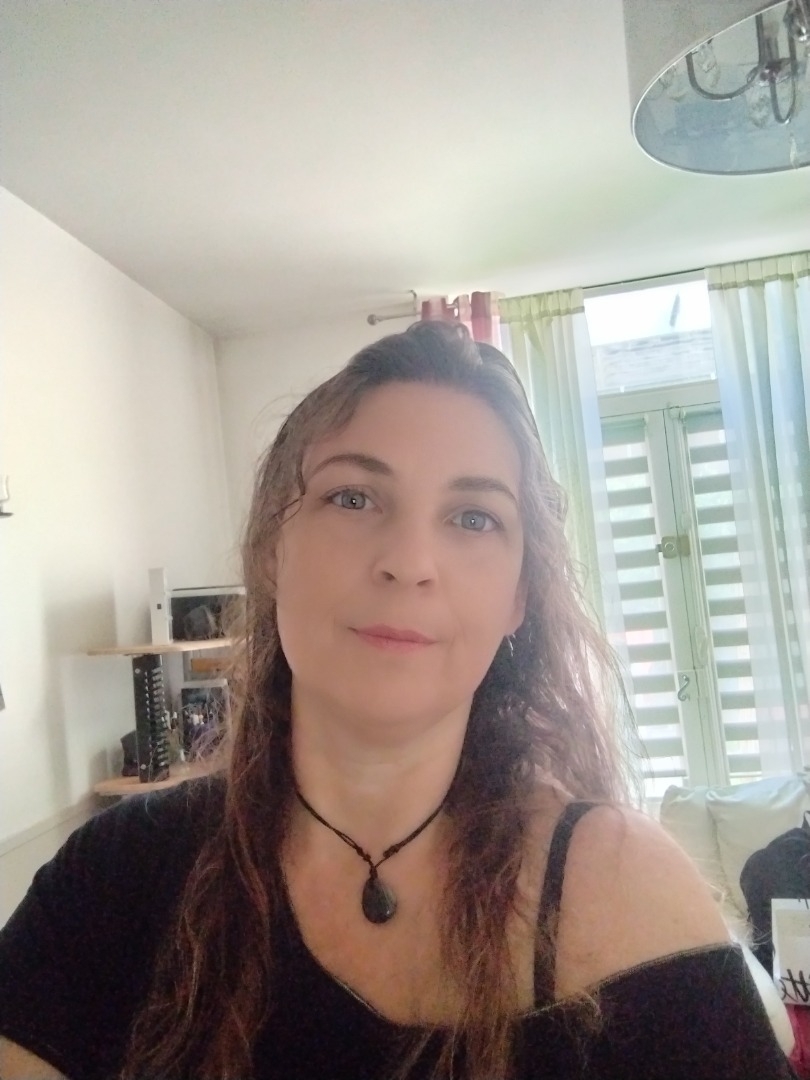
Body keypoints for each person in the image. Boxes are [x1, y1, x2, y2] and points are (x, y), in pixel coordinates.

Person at [0, 322, 795, 1080]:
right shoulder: (110, 878)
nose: (410, 560)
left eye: (474, 517)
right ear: (272, 551)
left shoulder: (622, 890)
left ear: (519, 597)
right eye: (354, 498)